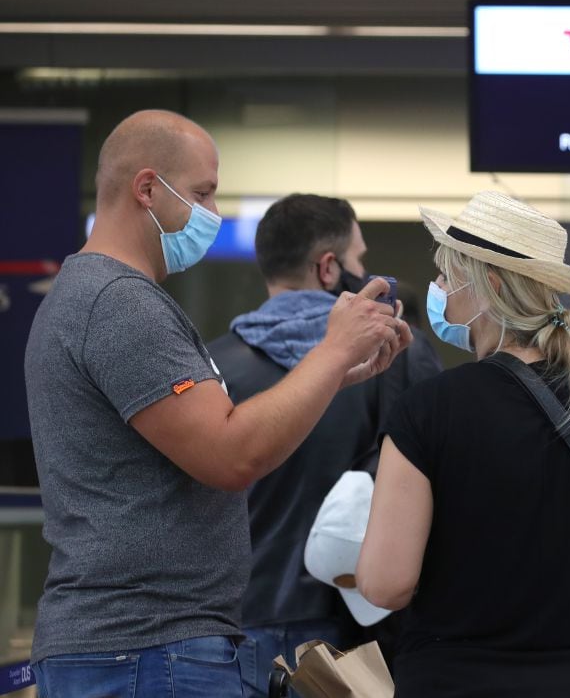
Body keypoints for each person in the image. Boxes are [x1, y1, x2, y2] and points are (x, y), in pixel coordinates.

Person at [22, 110, 411, 697]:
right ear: (147, 188)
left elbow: (223, 435)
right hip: (148, 650)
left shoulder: (93, 297)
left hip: (140, 647)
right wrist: (331, 351)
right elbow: (231, 454)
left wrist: (334, 375)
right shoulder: (118, 304)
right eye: (202, 193)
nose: (213, 212)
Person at [355, 191, 570, 697]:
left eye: (448, 277)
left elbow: (387, 583)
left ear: (488, 283)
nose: (440, 291)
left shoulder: (429, 409)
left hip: (456, 680)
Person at [206, 193, 441, 697]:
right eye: (359, 260)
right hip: (356, 631)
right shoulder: (399, 352)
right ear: (329, 268)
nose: (364, 270)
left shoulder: (209, 366)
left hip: (234, 623)